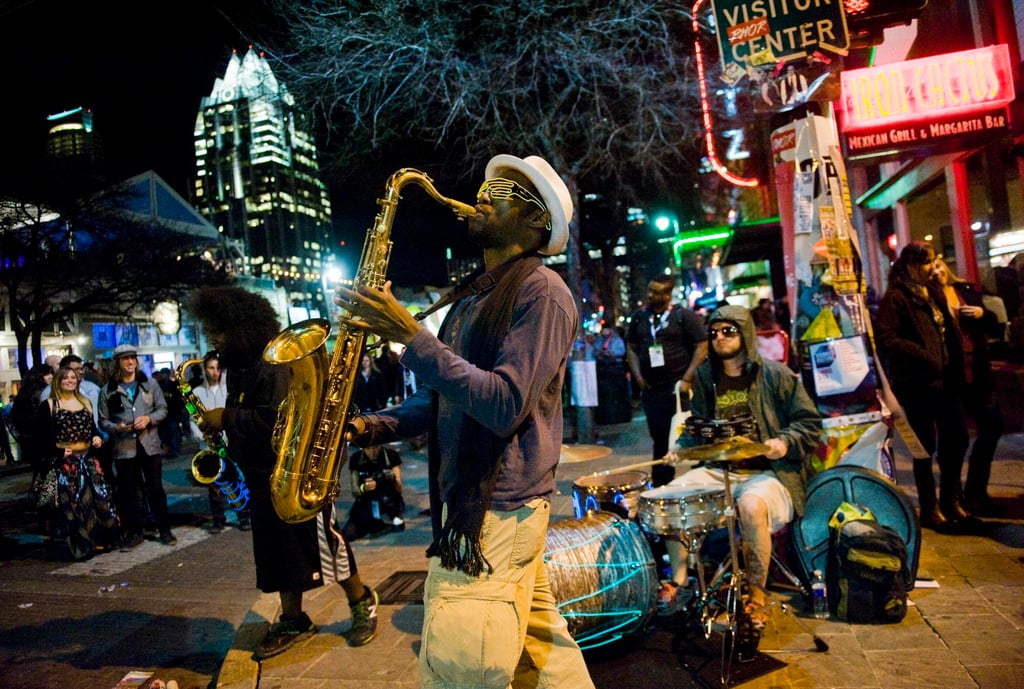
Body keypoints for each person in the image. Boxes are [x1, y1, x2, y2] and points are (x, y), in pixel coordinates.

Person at [337, 153, 594, 689]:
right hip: (482, 505)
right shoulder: (474, 297)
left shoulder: (542, 294)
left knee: (458, 669)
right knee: (545, 657)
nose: (483, 193)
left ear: (535, 222)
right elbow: (446, 398)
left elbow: (502, 403)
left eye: (502, 190)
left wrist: (411, 338)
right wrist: (370, 426)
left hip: (497, 510)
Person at [189, 285, 379, 658]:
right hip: (263, 476)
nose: (213, 337)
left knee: (324, 544)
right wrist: (223, 428)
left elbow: (279, 418)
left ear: (241, 326)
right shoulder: (240, 368)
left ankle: (362, 602)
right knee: (277, 552)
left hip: (296, 474)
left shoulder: (270, 364)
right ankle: (293, 619)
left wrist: (224, 417)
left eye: (219, 329)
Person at [659, 305, 822, 632]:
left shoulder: (776, 375)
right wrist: (682, 448)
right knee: (669, 497)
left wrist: (784, 442)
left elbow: (810, 423)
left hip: (769, 474)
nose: (719, 338)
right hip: (721, 470)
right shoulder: (706, 377)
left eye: (728, 331)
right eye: (714, 332)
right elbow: (701, 426)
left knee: (750, 506)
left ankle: (756, 594)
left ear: (744, 333)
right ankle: (680, 580)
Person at [875, 241, 973, 531]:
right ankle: (931, 508)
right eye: (928, 262)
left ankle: (952, 499)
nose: (934, 267)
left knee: (956, 440)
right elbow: (886, 338)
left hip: (946, 380)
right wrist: (923, 355)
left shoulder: (932, 292)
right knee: (924, 448)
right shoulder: (896, 298)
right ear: (912, 265)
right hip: (918, 383)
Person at [932, 258, 1004, 515]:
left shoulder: (965, 291)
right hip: (952, 379)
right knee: (955, 439)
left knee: (993, 426)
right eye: (932, 268)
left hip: (977, 374)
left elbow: (995, 322)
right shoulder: (928, 297)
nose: (938, 272)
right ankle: (954, 498)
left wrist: (981, 313)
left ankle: (976, 490)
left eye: (940, 266)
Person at [626, 274, 708, 485]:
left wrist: (688, 377)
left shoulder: (684, 316)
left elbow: (702, 346)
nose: (650, 295)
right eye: (650, 290)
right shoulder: (639, 318)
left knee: (692, 433)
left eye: (656, 292)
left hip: (680, 388)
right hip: (653, 390)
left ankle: (702, 480)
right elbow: (632, 348)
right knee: (660, 438)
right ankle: (662, 484)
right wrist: (638, 376)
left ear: (667, 294)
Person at [35, 366, 119, 559]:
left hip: (88, 461)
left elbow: (92, 429)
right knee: (74, 506)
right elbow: (39, 438)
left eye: (73, 378)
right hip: (66, 465)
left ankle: (100, 539)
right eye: (65, 378)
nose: (70, 381)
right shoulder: (49, 405)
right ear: (58, 381)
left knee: (100, 500)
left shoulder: (85, 402)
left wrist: (97, 438)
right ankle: (82, 544)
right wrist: (56, 451)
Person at [98, 344, 176, 548]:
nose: (130, 362)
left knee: (156, 489)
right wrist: (117, 427)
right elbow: (102, 420)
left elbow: (163, 409)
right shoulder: (108, 390)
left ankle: (165, 529)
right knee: (128, 492)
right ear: (118, 363)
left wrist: (149, 419)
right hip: (124, 448)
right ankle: (134, 531)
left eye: (133, 358)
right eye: (125, 359)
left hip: (149, 444)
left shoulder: (149, 384)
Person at [188, 351, 251, 533]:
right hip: (208, 445)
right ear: (205, 369)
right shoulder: (198, 392)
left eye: (218, 368)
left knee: (235, 480)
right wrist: (201, 435)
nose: (215, 372)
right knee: (213, 486)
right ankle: (218, 520)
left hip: (229, 444)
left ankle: (243, 516)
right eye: (211, 368)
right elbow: (193, 418)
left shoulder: (229, 391)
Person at [342, 443, 405, 541]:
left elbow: (399, 489)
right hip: (367, 501)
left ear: (380, 445)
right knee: (348, 534)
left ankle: (389, 519)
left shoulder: (390, 455)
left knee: (397, 524)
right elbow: (355, 492)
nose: (372, 452)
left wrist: (393, 479)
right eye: (368, 448)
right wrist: (364, 488)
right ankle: (375, 524)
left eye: (375, 447)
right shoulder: (356, 458)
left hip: (388, 500)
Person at [594, 324, 631, 424]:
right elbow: (596, 351)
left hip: (616, 368)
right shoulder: (599, 340)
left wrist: (611, 353)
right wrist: (601, 353)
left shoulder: (616, 340)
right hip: (604, 368)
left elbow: (622, 351)